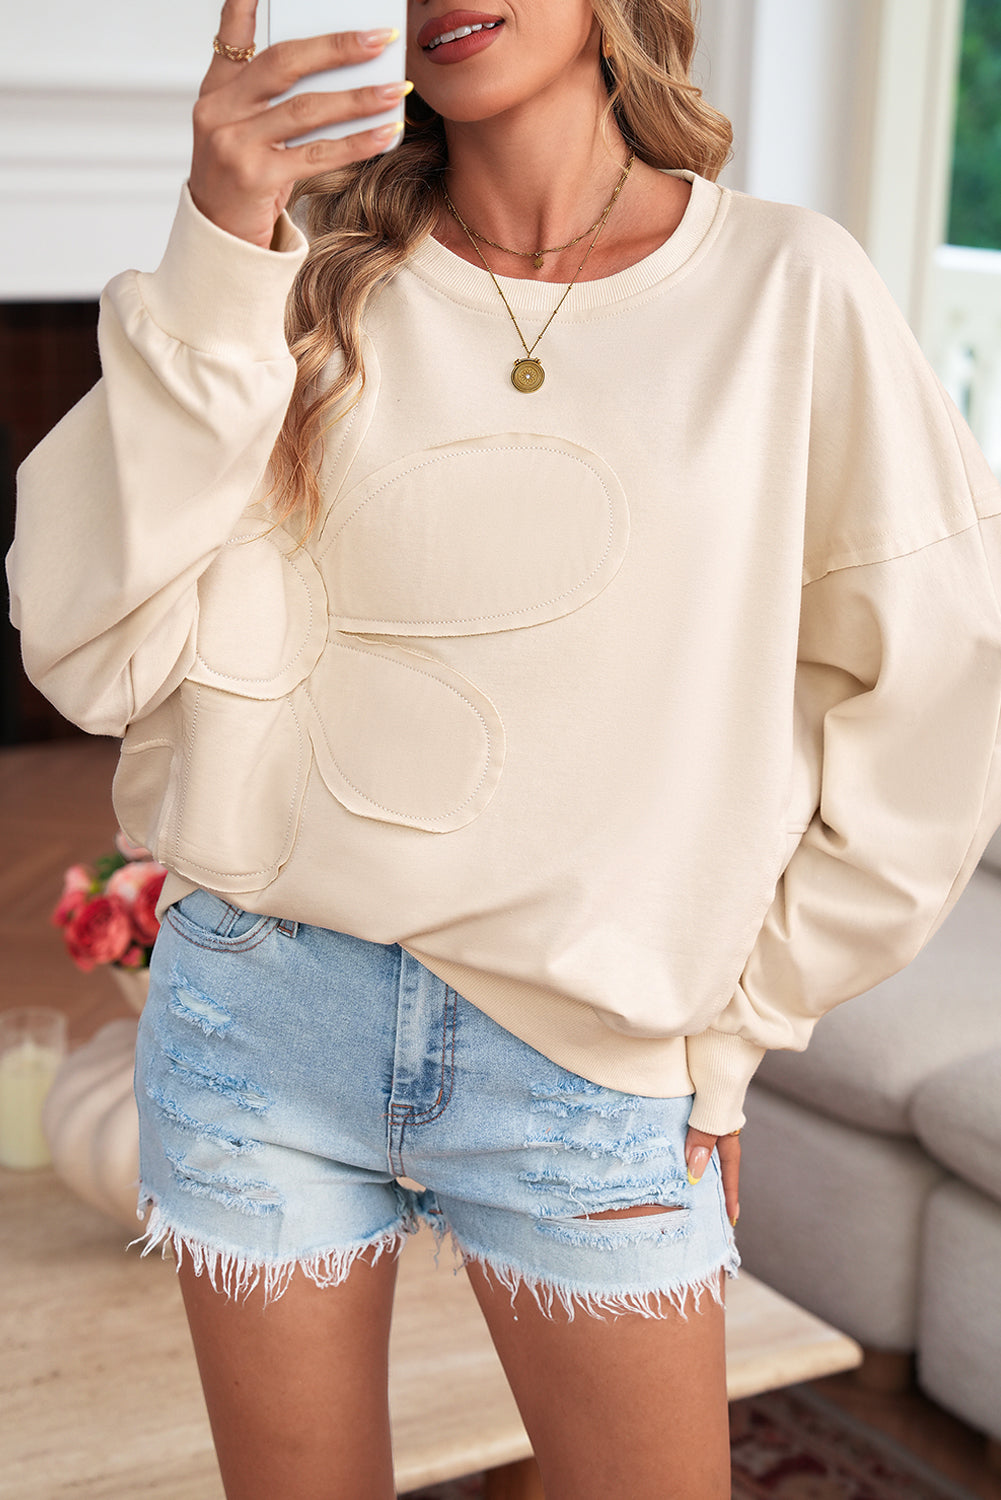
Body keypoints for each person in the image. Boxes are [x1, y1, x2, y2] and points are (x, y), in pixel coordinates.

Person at [8, 1, 1001, 1495]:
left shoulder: (788, 289)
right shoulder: (298, 273)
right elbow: (85, 644)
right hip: (259, 1013)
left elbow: (935, 690)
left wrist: (739, 1021)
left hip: (587, 1060)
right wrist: (219, 239)